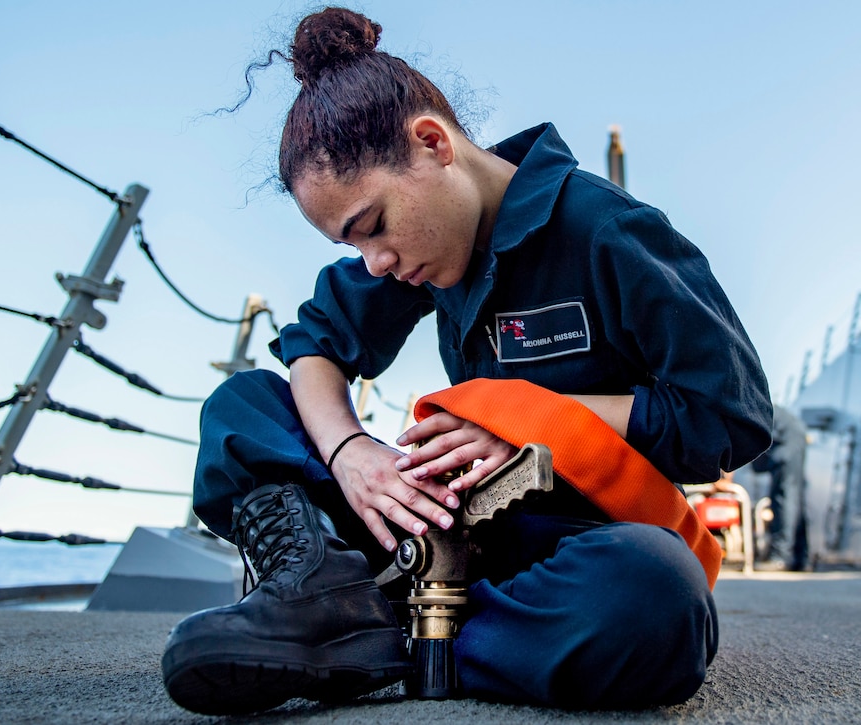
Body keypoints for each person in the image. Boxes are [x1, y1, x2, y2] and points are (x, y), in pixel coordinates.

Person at [161, 6, 773, 715]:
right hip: (426, 520)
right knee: (243, 406)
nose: (376, 261)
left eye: (373, 226)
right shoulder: (417, 256)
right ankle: (325, 594)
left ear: (432, 143)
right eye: (353, 248)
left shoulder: (606, 231)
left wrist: (534, 423)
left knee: (657, 597)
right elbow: (313, 346)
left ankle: (400, 637)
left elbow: (728, 415)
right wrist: (352, 451)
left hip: (562, 545)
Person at [752, 404, 809, 570]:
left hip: (785, 439)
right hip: (788, 435)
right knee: (794, 498)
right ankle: (801, 558)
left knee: (784, 498)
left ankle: (781, 557)